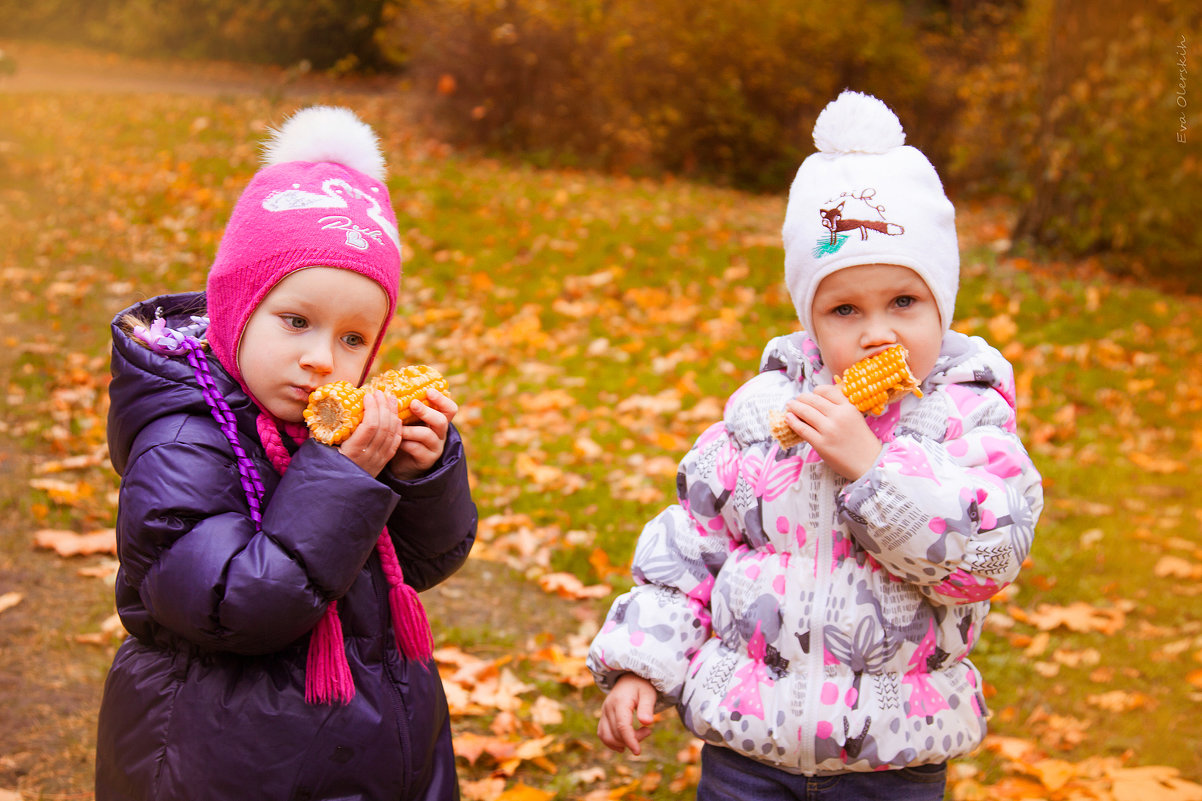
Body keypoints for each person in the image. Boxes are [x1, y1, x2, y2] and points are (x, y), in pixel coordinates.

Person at [587, 91, 1043, 800]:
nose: (877, 334)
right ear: (809, 319)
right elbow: (690, 548)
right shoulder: (764, 415)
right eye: (844, 309)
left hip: (891, 764)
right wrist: (642, 663)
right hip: (749, 752)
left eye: (903, 302)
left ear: (941, 304)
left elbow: (987, 557)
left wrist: (875, 469)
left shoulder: (969, 417)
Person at [95, 106, 477, 801]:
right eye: (297, 321)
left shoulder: (331, 431)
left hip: (368, 738)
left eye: (354, 339)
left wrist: (424, 476)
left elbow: (420, 563)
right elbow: (233, 602)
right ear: (238, 305)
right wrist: (342, 479)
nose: (320, 359)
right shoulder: (183, 442)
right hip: (226, 758)